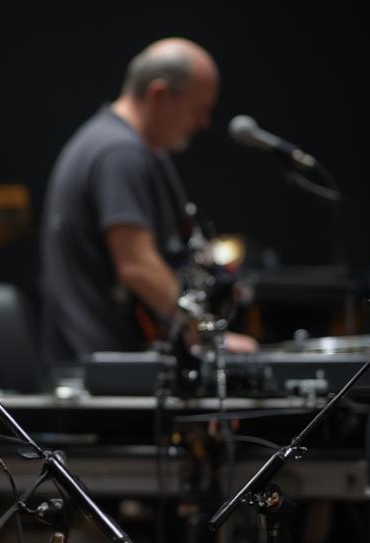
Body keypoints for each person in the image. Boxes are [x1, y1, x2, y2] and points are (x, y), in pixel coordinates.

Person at [40, 37, 257, 361]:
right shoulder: (120, 154)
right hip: (107, 373)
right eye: (197, 109)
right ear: (159, 95)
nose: (203, 123)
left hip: (99, 363)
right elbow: (137, 265)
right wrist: (205, 333)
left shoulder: (111, 142)